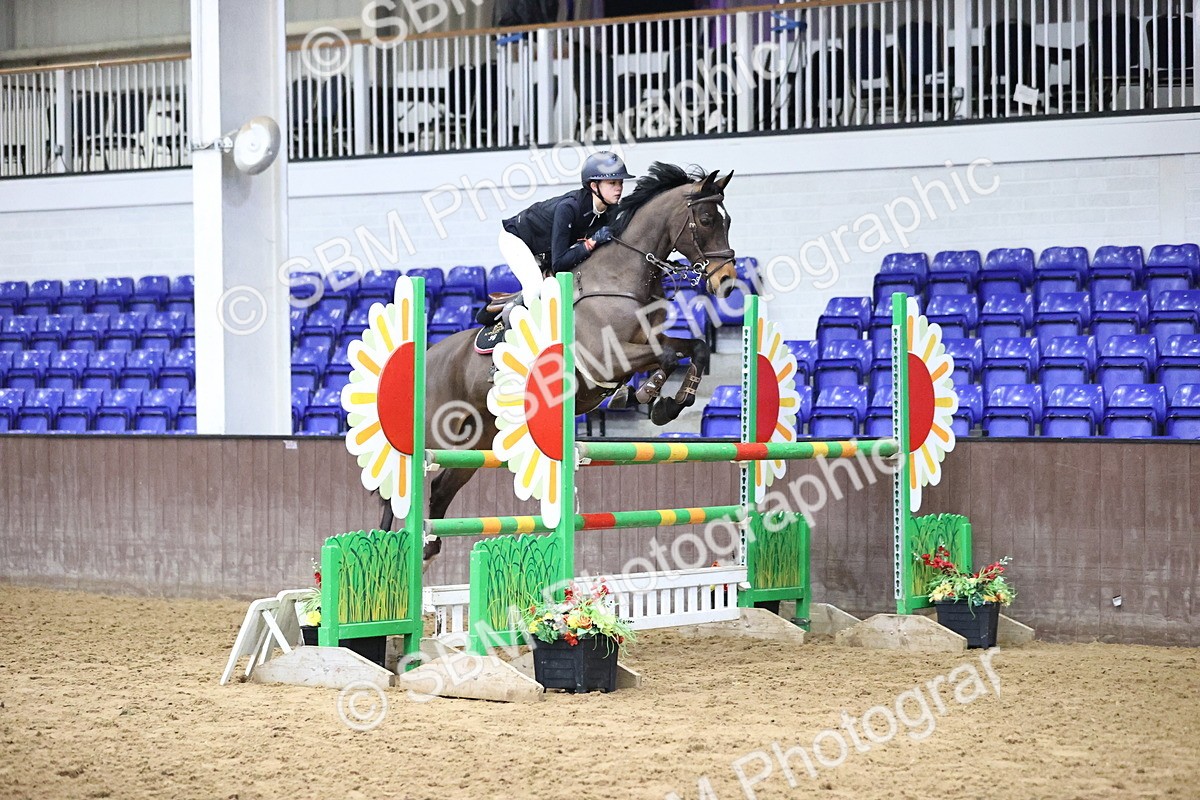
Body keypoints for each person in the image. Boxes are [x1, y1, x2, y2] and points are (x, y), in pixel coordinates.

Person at [478, 152, 635, 326]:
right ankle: (510, 330)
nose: (619, 188)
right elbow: (559, 264)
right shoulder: (569, 207)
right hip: (516, 239)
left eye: (620, 183)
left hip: (546, 249)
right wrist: (591, 243)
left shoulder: (610, 210)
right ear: (594, 185)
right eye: (612, 183)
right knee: (535, 289)